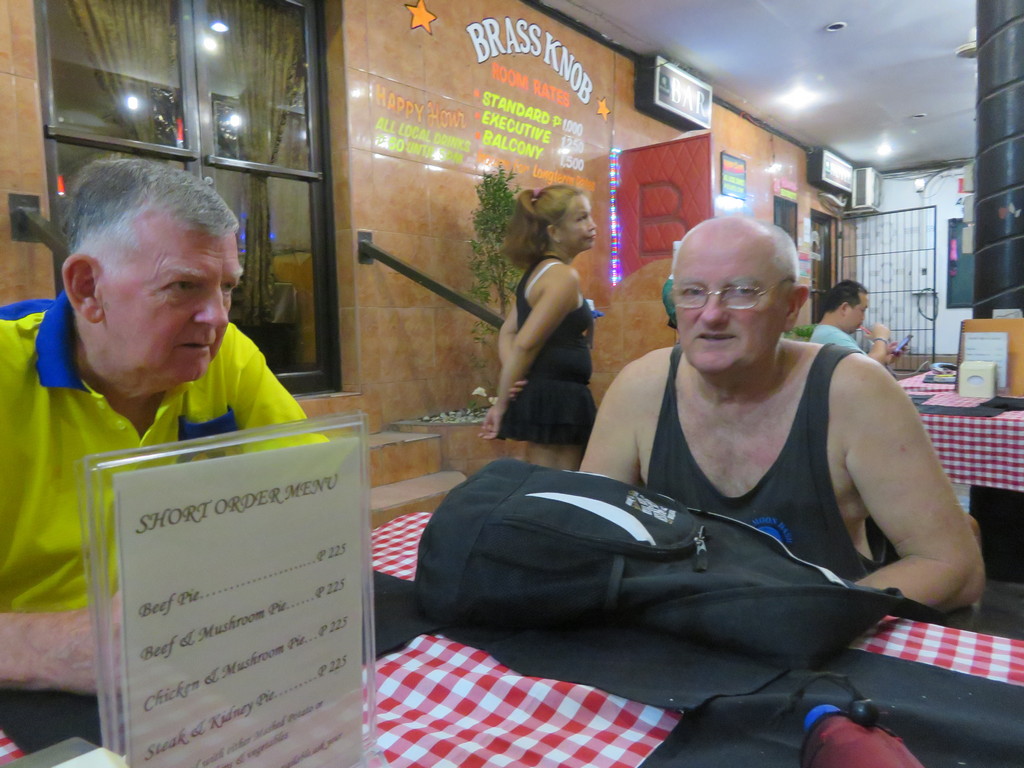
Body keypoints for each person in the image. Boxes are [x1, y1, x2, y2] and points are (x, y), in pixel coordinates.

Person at [0, 158, 307, 693]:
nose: (218, 318)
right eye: (184, 285)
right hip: (31, 692)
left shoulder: (227, 356)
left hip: (195, 659)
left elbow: (314, 500)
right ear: (87, 287)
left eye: (226, 288)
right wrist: (62, 647)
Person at [580, 216, 984, 612]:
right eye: (692, 291)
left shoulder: (853, 390)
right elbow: (582, 534)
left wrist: (791, 620)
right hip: (679, 631)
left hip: (822, 637)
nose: (712, 313)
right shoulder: (641, 388)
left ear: (792, 306)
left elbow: (953, 566)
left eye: (742, 291)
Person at [480, 184, 597, 470]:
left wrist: (517, 374)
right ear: (554, 232)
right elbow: (524, 343)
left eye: (590, 216)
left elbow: (508, 332)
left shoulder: (537, 273)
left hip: (551, 398)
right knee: (559, 487)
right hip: (557, 402)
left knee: (552, 483)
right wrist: (502, 401)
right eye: (581, 218)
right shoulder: (562, 277)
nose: (592, 225)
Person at [810, 279, 896, 364]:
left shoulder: (827, 333)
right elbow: (868, 367)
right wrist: (880, 338)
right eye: (862, 310)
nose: (863, 318)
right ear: (845, 308)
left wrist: (884, 357)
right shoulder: (832, 336)